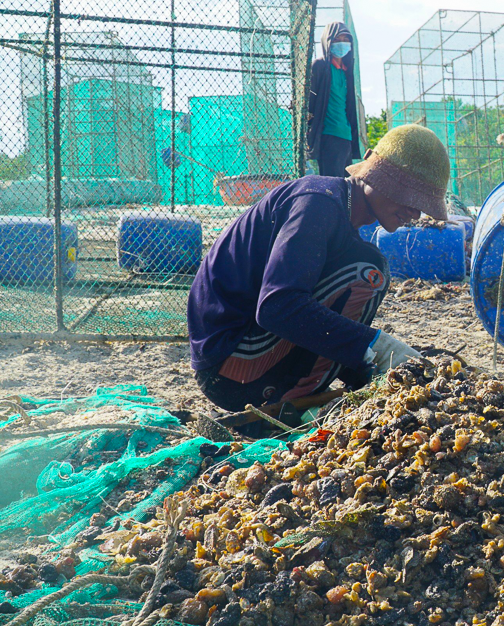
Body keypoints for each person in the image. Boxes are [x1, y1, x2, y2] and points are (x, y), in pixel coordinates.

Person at [187, 124, 450, 414]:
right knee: (368, 273)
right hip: (229, 365)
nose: (415, 213)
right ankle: (290, 404)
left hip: (242, 353)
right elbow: (276, 307)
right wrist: (377, 346)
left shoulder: (337, 209)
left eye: (420, 205)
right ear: (377, 176)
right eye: (409, 198)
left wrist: (371, 366)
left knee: (364, 265)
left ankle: (340, 380)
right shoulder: (318, 204)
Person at [307, 22, 362, 177]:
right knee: (331, 183)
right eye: (337, 40)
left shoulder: (346, 71)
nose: (342, 43)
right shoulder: (320, 66)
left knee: (347, 185)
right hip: (328, 135)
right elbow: (310, 102)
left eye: (345, 39)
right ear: (328, 42)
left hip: (346, 137)